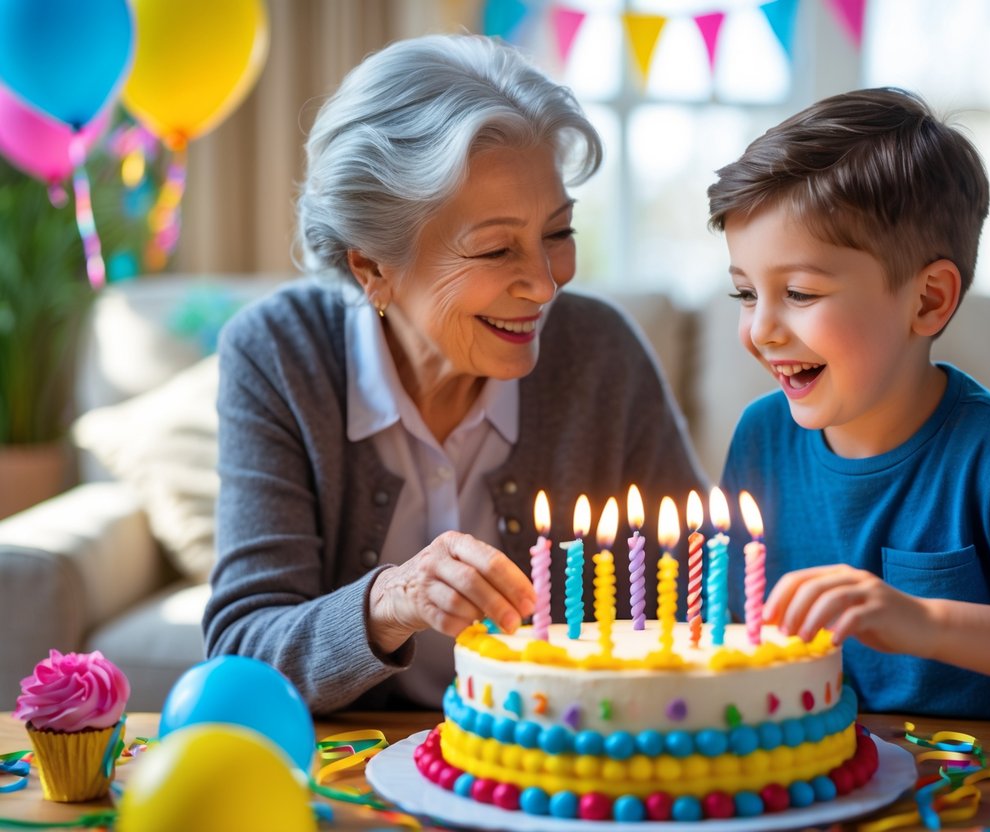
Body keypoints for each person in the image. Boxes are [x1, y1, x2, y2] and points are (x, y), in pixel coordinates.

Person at [203, 34, 707, 714]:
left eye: (557, 233)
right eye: (497, 248)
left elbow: (706, 595)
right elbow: (241, 654)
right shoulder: (280, 355)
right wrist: (391, 601)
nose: (542, 284)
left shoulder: (600, 353)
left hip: (559, 774)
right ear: (372, 268)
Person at [709, 88, 990, 718]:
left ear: (929, 300)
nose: (762, 329)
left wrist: (922, 621)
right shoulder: (760, 436)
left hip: (988, 780)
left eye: (798, 293)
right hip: (844, 772)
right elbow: (732, 632)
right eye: (745, 293)